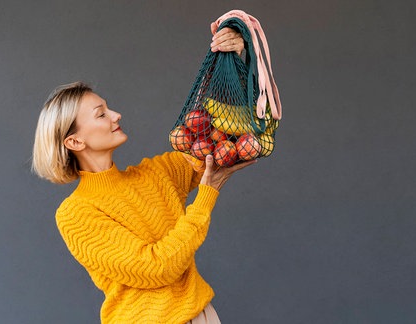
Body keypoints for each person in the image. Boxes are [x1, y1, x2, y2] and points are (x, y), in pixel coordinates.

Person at [32, 26, 253, 323]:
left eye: (108, 108)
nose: (116, 115)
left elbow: (217, 136)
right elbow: (156, 268)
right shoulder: (76, 214)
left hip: (201, 316)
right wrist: (206, 195)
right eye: (101, 114)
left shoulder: (156, 173)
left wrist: (234, 60)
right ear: (74, 142)